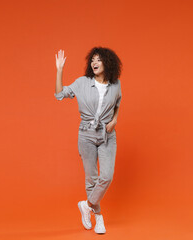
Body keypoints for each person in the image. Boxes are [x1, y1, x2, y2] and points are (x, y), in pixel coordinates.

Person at [54, 47, 122, 234]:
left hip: (107, 135)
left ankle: (87, 204)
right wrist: (59, 70)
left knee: (106, 176)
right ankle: (98, 217)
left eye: (98, 59)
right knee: (91, 178)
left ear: (107, 63)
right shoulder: (82, 82)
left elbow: (117, 104)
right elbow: (60, 94)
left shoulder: (116, 84)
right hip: (86, 134)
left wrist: (115, 120)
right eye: (92, 59)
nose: (94, 63)